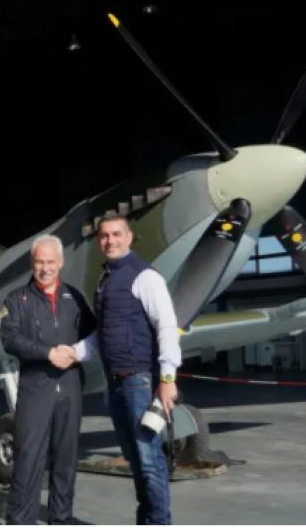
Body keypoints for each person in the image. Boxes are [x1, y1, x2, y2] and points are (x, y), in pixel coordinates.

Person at [72, 214, 181, 525]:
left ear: (130, 237)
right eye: (105, 236)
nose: (111, 240)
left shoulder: (144, 276)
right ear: (99, 241)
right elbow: (104, 333)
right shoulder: (106, 279)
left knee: (149, 462)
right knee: (136, 461)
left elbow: (167, 326)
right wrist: (73, 352)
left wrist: (167, 379)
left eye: (117, 234)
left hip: (138, 382)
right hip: (116, 384)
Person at [0, 234, 96, 525]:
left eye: (50, 262)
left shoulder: (75, 298)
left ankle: (61, 518)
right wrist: (47, 353)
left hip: (70, 386)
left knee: (66, 458)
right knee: (28, 457)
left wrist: (75, 353)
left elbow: (94, 335)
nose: (45, 268)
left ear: (61, 262)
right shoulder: (17, 299)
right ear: (32, 263)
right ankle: (20, 520)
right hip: (36, 387)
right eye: (39, 262)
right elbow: (10, 339)